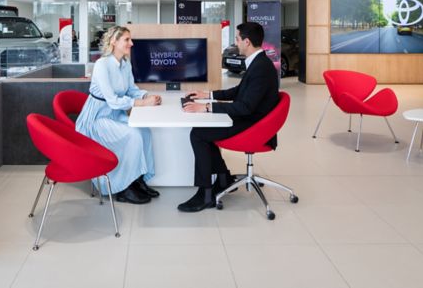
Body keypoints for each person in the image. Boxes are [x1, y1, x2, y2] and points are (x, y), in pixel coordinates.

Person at [178, 22, 280, 212]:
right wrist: (208, 95)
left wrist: (206, 108)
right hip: (251, 119)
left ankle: (206, 194)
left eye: (237, 39)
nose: (236, 43)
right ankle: (223, 178)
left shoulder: (261, 68)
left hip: (253, 125)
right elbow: (238, 92)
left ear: (247, 42)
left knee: (198, 134)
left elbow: (245, 107)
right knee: (204, 131)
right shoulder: (258, 63)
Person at [76, 26, 162, 204]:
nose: (131, 43)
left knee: (144, 131)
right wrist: (143, 103)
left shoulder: (125, 63)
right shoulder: (102, 65)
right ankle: (124, 188)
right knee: (132, 136)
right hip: (97, 118)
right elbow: (113, 100)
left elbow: (131, 90)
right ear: (114, 42)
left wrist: (146, 95)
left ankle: (138, 180)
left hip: (114, 114)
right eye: (127, 40)